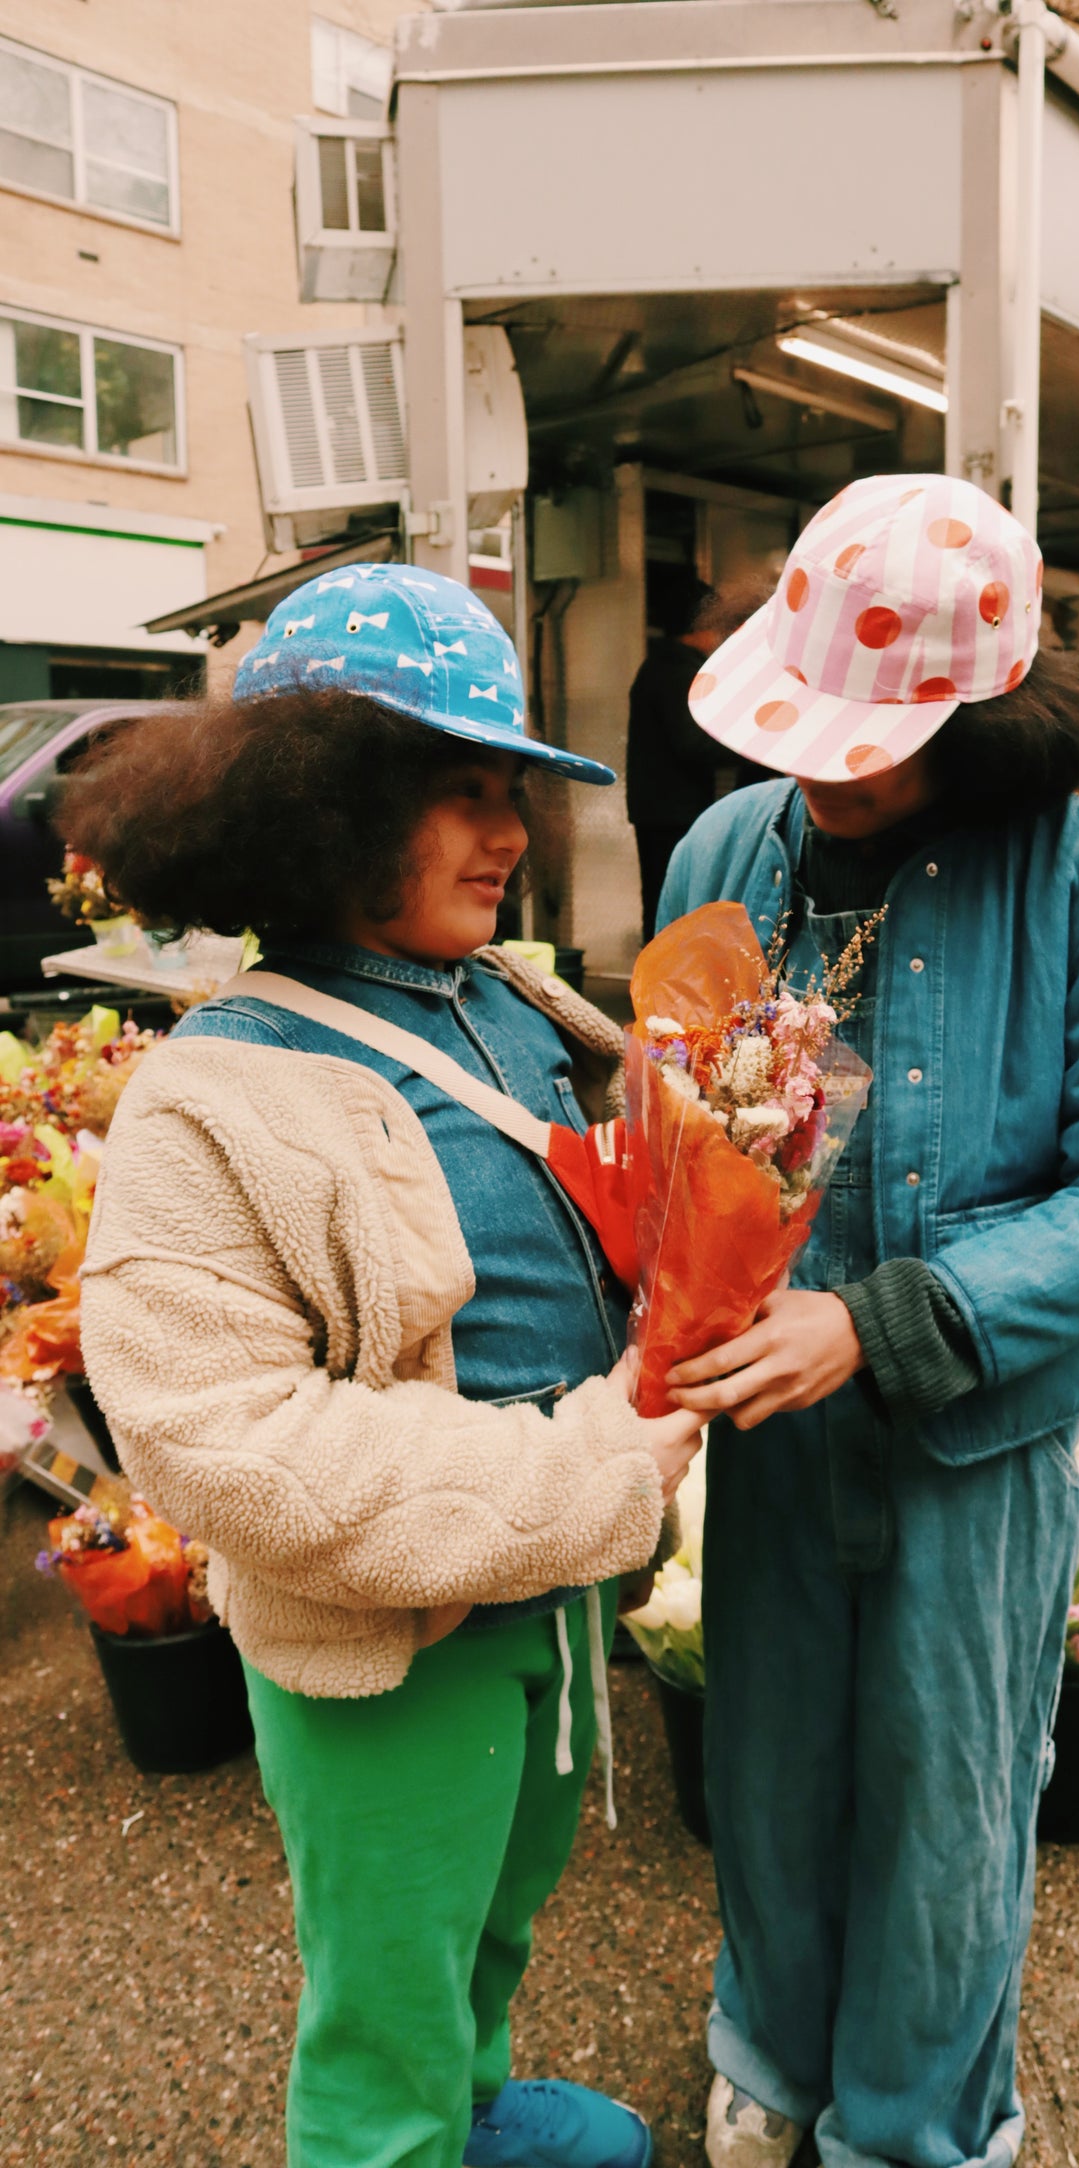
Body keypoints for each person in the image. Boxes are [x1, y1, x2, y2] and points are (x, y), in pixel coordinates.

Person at [68, 562, 704, 2168]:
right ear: (326, 806)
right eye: (461, 794)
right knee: (383, 2008)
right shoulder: (215, 1090)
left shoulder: (505, 995)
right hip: (386, 1644)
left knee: (490, 1919)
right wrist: (592, 1464)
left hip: (542, 1596)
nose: (510, 834)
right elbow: (219, 1442)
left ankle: (476, 2113)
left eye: (516, 796)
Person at [657, 475, 1079, 2168]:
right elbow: (691, 1124)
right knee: (766, 1769)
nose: (825, 768)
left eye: (872, 736)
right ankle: (772, 2051)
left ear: (983, 707)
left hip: (981, 1436)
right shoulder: (724, 850)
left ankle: (908, 2122)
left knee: (952, 1799)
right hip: (771, 1429)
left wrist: (884, 1318)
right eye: (804, 723)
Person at [625, 574, 733, 941]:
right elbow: (693, 745)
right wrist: (748, 749)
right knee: (674, 908)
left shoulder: (658, 665)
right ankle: (661, 992)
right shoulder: (680, 671)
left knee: (662, 902)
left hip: (658, 810)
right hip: (675, 812)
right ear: (701, 624)